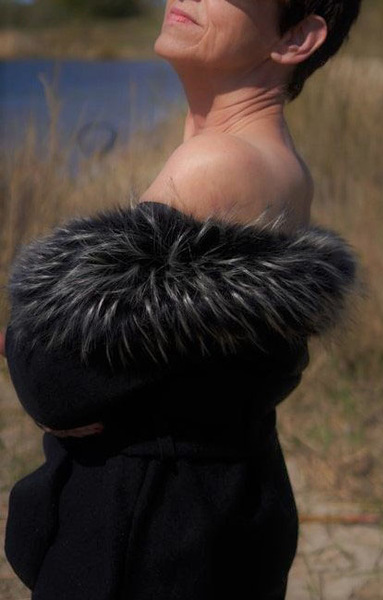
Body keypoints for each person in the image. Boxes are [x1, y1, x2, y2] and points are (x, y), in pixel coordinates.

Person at [3, 1, 363, 598]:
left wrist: (30, 339)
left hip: (149, 533)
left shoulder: (217, 163)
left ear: (297, 38)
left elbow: (53, 381)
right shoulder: (278, 162)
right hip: (209, 512)